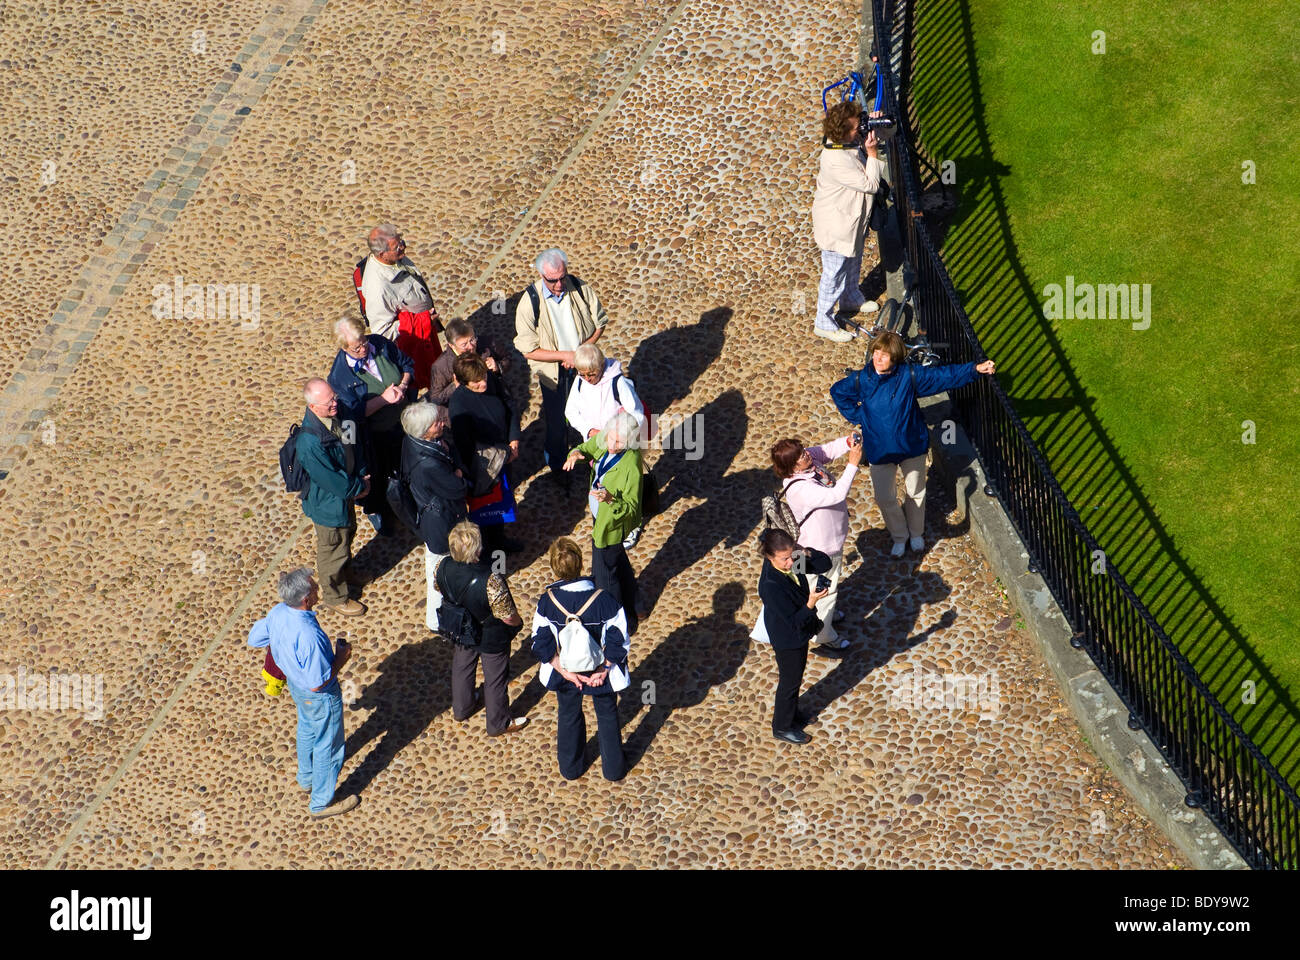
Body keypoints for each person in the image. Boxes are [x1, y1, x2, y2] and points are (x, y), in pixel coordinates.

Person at [831, 330, 996, 557]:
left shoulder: (909, 375)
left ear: (895, 358)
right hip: (880, 450)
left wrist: (974, 369)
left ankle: (916, 533)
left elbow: (942, 376)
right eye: (876, 352)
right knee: (884, 497)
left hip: (911, 447)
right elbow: (838, 392)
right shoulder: (861, 379)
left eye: (884, 355)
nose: (878, 358)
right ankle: (900, 535)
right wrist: (860, 417)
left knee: (915, 492)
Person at [247, 568, 359, 817]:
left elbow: (255, 638)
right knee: (328, 746)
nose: (319, 588)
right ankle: (321, 802)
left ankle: (306, 777)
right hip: (320, 695)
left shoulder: (277, 613)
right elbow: (319, 682)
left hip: (296, 687)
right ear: (306, 599)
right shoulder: (309, 636)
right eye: (315, 587)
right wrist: (341, 659)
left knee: (307, 727)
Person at [529, 537, 629, 780]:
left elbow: (540, 642)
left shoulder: (547, 602)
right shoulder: (604, 600)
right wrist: (605, 668)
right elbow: (619, 639)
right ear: (581, 563)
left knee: (568, 713)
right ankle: (613, 770)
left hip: (566, 669)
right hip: (598, 670)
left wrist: (561, 669)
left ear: (554, 567)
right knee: (606, 713)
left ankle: (570, 768)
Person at [514, 247, 608, 489]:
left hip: (584, 367)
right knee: (557, 423)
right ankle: (558, 467)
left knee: (594, 414)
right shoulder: (529, 303)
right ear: (541, 275)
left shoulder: (579, 287)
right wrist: (563, 355)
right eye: (552, 280)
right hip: (554, 375)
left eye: (562, 277)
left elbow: (599, 324)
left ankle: (596, 458)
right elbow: (527, 349)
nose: (558, 284)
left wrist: (580, 353)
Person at [769, 433, 864, 650]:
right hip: (821, 549)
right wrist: (852, 464)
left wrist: (848, 442)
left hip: (810, 545)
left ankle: (821, 617)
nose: (807, 454)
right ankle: (824, 635)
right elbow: (837, 495)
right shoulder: (801, 489)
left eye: (803, 451)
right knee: (824, 591)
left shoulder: (806, 463)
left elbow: (826, 451)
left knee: (806, 586)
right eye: (801, 455)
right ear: (792, 467)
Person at [435, 521, 529, 736]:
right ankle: (498, 723)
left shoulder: (441, 566)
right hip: (490, 634)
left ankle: (462, 708)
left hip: (460, 625)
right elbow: (507, 616)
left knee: (462, 665)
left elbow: (438, 587)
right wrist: (518, 625)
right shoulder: (491, 580)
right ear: (477, 549)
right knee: (495, 677)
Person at [328, 316, 414, 537]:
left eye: (364, 342)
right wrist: (384, 399)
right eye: (357, 348)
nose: (364, 348)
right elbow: (352, 414)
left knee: (410, 464)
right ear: (344, 347)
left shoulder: (380, 344)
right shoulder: (340, 377)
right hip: (376, 436)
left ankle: (412, 499)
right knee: (381, 475)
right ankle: (381, 512)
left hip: (405, 420)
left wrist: (403, 385)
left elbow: (406, 364)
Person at [811, 100, 887, 343]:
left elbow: (874, 141)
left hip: (851, 221)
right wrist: (873, 153)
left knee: (853, 261)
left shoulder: (846, 143)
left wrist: (876, 127)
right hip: (837, 227)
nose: (859, 131)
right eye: (856, 127)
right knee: (833, 273)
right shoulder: (835, 160)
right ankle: (823, 321)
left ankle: (850, 297)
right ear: (843, 131)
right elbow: (870, 185)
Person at [562, 411, 642, 630]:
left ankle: (618, 624)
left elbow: (633, 509)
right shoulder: (607, 436)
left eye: (619, 442)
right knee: (618, 563)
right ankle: (637, 605)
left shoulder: (631, 465)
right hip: (600, 516)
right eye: (611, 438)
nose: (612, 445)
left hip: (610, 526)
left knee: (605, 578)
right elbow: (588, 448)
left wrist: (611, 499)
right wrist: (577, 453)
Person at [296, 378, 369, 616]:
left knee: (347, 533)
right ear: (313, 407)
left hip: (342, 496)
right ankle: (335, 596)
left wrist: (358, 471)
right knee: (332, 548)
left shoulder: (338, 415)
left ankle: (346, 573)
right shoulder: (309, 442)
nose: (335, 404)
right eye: (329, 402)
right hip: (328, 504)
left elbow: (352, 441)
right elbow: (330, 479)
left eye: (334, 398)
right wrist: (358, 487)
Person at [756, 529, 830, 744]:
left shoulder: (789, 563)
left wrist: (805, 552)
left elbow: (824, 564)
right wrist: (812, 601)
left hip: (798, 630)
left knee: (794, 679)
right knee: (789, 682)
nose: (790, 562)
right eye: (784, 558)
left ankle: (791, 714)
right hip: (787, 637)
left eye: (792, 555)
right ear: (770, 557)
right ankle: (782, 727)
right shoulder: (770, 586)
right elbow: (794, 621)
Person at [399, 402, 468, 633]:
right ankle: (436, 620)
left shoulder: (416, 441)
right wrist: (457, 474)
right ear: (425, 431)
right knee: (438, 572)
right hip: (440, 523)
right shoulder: (427, 463)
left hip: (437, 516)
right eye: (436, 422)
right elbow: (458, 487)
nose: (442, 423)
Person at [448, 352, 522, 553]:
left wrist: (514, 439)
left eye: (484, 377)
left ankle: (499, 541)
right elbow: (465, 445)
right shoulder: (459, 404)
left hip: (505, 455)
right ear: (464, 383)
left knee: (501, 506)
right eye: (477, 382)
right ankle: (487, 550)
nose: (483, 384)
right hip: (484, 466)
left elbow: (510, 407)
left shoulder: (492, 382)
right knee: (485, 512)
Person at [357, 223, 442, 391]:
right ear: (382, 254)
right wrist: (420, 321)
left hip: (426, 331)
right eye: (397, 247)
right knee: (424, 380)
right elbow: (382, 331)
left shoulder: (394, 258)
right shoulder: (378, 288)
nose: (403, 247)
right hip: (413, 343)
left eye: (401, 241)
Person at [563, 343, 646, 443]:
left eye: (591, 374)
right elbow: (571, 411)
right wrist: (588, 430)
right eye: (582, 374)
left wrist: (619, 434)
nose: (587, 379)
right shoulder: (580, 381)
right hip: (592, 441)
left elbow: (636, 414)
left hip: (618, 443)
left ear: (601, 366)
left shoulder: (617, 382)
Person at [426, 317, 511, 407]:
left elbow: (508, 358)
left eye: (472, 340)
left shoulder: (487, 342)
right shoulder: (441, 366)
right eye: (464, 345)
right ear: (452, 346)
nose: (471, 347)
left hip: (497, 397)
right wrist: (455, 386)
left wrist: (498, 366)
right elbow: (436, 399)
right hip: (470, 408)